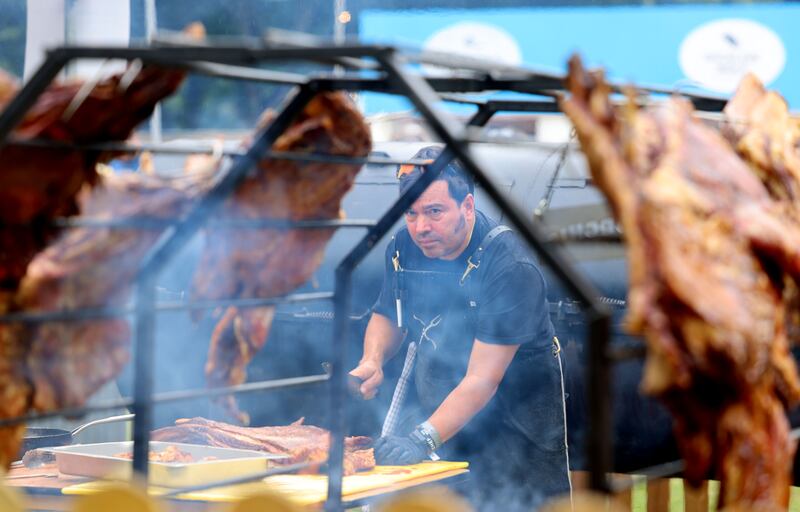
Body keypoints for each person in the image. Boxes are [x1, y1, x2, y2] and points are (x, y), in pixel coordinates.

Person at [349, 145, 571, 511]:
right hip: (440, 415)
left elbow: (483, 378)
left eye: (434, 212)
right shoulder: (403, 246)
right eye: (411, 213)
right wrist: (372, 359)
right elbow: (389, 312)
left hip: (517, 426)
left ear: (467, 206)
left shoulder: (510, 266)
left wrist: (421, 439)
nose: (421, 227)